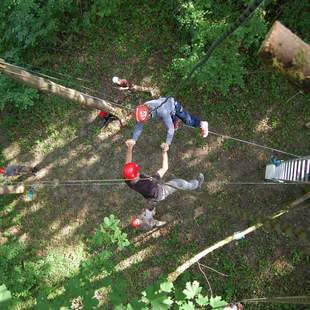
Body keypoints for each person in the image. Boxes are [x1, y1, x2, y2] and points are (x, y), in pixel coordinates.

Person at [124, 139, 204, 230]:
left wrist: (130, 148)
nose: (138, 171)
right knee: (181, 183)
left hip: (151, 196)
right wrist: (164, 152)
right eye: (137, 171)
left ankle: (174, 182)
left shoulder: (128, 180)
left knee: (173, 183)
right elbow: (164, 168)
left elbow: (128, 163)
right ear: (135, 176)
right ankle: (197, 185)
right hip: (161, 192)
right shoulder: (148, 183)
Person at [131, 97, 209, 151]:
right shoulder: (143, 108)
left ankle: (202, 124)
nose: (145, 121)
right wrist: (134, 139)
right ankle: (175, 120)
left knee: (188, 121)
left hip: (174, 106)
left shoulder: (161, 111)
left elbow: (170, 129)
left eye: (146, 119)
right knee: (172, 122)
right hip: (167, 110)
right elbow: (139, 125)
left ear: (148, 113)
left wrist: (167, 143)